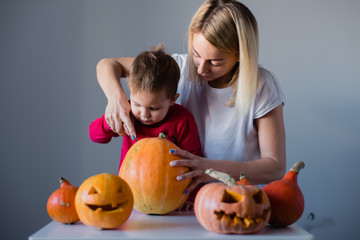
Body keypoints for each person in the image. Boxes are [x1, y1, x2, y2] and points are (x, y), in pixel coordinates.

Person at [95, 0, 286, 195]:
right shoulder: (179, 68)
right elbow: (107, 64)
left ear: (240, 55)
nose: (201, 69)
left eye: (215, 62)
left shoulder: (261, 85)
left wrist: (208, 168)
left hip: (238, 200)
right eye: (196, 54)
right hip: (181, 203)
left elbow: (275, 167)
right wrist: (115, 99)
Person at [89, 45, 202, 174]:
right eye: (136, 104)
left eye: (153, 108)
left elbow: (193, 164)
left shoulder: (182, 120)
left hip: (169, 189)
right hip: (130, 189)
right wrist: (110, 122)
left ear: (172, 99)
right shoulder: (127, 113)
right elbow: (95, 136)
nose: (144, 114)